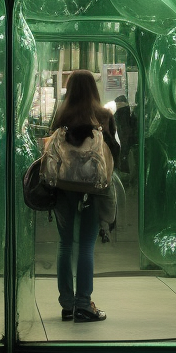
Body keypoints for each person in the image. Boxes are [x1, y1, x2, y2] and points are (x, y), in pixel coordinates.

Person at [47, 69, 120, 322]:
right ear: (94, 89)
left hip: (63, 187)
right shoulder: (103, 115)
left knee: (65, 243)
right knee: (86, 246)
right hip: (93, 190)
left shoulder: (61, 115)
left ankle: (67, 304)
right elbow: (114, 153)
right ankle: (83, 304)